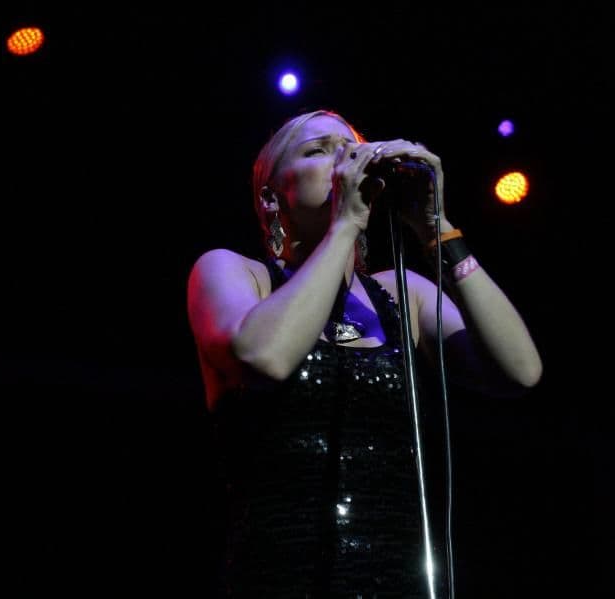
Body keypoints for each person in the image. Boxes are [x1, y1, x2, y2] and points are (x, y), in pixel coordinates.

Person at [187, 109, 542, 597]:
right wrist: (345, 225)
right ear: (272, 197)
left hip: (398, 578)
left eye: (350, 148)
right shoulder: (235, 274)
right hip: (280, 576)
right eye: (319, 150)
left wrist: (438, 229)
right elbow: (265, 357)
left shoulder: (403, 294)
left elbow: (520, 370)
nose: (345, 160)